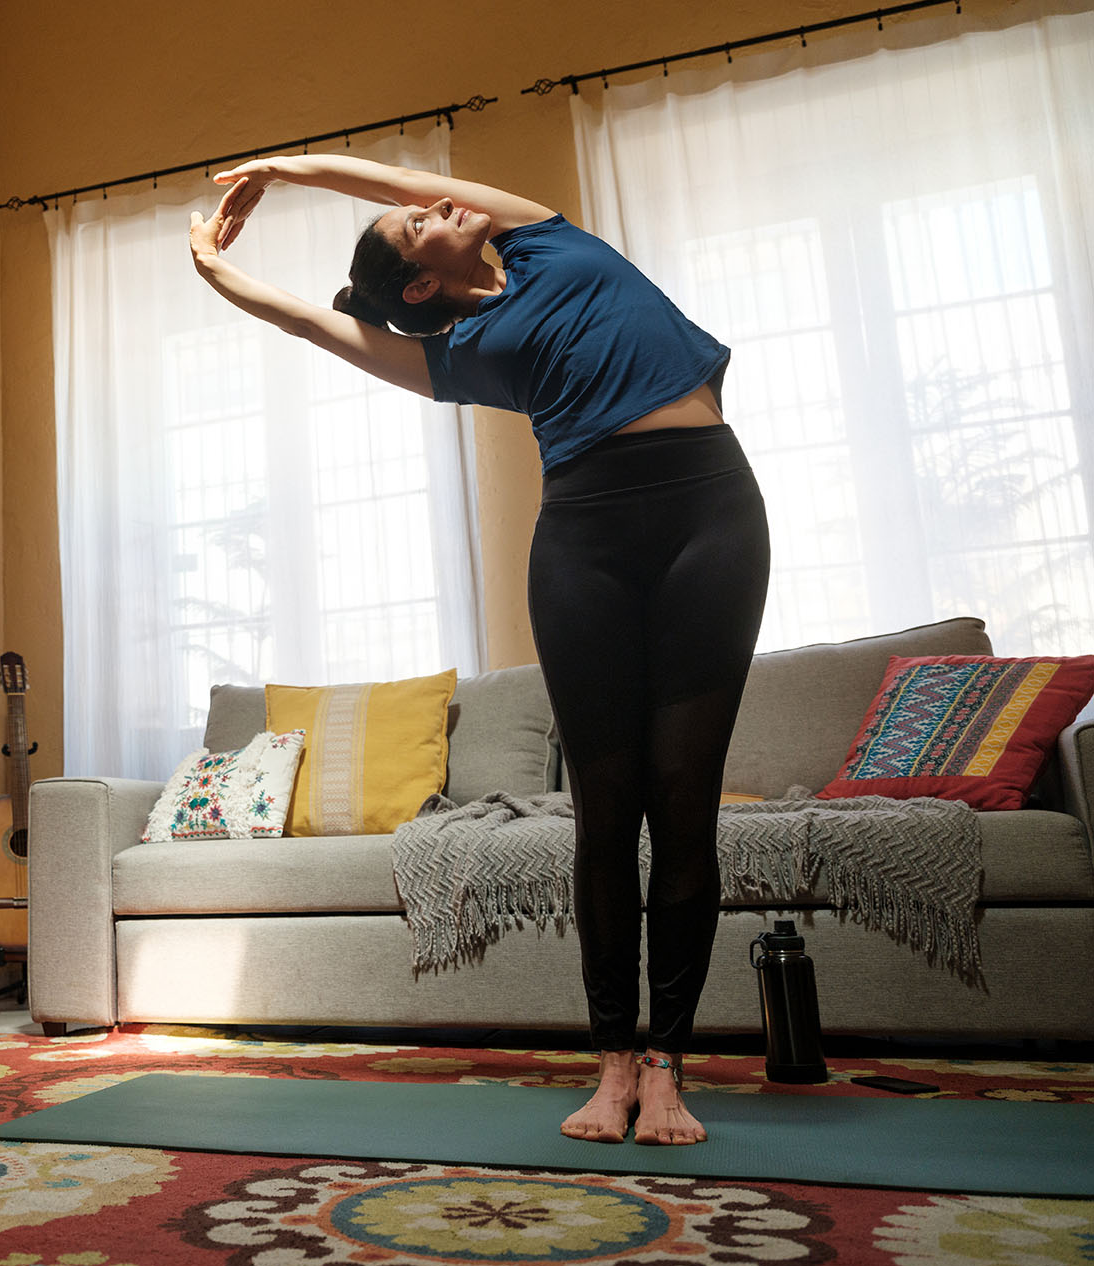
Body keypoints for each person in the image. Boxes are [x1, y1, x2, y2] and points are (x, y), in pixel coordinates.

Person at [186, 154, 771, 1145]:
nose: (434, 206)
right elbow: (308, 321)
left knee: (683, 801)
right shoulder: (458, 351)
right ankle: (614, 1062)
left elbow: (398, 178)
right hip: (583, 539)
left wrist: (293, 165)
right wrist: (213, 268)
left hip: (710, 512)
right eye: (418, 229)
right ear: (421, 284)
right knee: (605, 808)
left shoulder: (541, 240)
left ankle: (669, 1067)